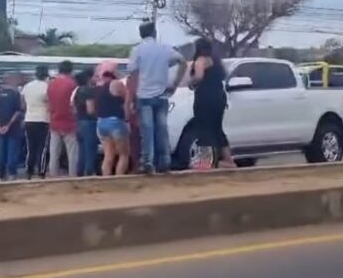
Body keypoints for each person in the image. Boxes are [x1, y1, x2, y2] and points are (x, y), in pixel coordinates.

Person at [128, 20, 188, 174]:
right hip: (162, 96)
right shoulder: (165, 49)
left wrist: (131, 98)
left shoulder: (137, 50)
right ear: (154, 33)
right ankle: (165, 161)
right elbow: (182, 61)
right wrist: (175, 84)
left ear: (141, 35)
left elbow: (133, 75)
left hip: (144, 95)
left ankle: (148, 162)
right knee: (162, 129)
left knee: (147, 131)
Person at [190, 38, 235, 169]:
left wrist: (191, 81)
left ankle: (205, 162)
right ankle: (229, 160)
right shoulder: (216, 61)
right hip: (219, 97)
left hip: (204, 97)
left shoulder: (201, 61)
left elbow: (198, 76)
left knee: (203, 129)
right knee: (217, 129)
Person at [91, 70, 130, 176]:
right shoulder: (117, 84)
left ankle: (106, 180)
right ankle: (119, 179)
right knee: (123, 154)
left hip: (101, 123)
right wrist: (127, 117)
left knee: (108, 155)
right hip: (115, 122)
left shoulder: (98, 89)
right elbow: (127, 101)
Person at [47, 60, 79, 177]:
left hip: (54, 121)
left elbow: (49, 103)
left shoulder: (51, 84)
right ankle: (72, 177)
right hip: (69, 122)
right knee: (72, 153)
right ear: (70, 70)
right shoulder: (72, 84)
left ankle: (53, 177)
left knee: (54, 153)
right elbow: (74, 104)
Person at [0, 74, 24, 182]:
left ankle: (0, 175)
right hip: (13, 128)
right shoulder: (15, 94)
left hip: (0, 128)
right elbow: (17, 111)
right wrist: (8, 125)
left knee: (1, 152)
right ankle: (11, 173)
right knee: (12, 152)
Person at [21, 65, 50, 179]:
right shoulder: (47, 87)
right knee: (42, 148)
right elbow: (49, 104)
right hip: (43, 119)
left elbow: (23, 104)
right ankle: (41, 171)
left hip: (29, 119)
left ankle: (29, 171)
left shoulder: (27, 86)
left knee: (31, 148)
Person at [73, 68, 98, 176]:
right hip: (89, 123)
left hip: (79, 122)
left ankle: (80, 173)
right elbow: (90, 109)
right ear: (88, 78)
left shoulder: (77, 91)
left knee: (82, 151)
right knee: (90, 150)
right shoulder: (89, 91)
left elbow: (73, 108)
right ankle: (89, 173)